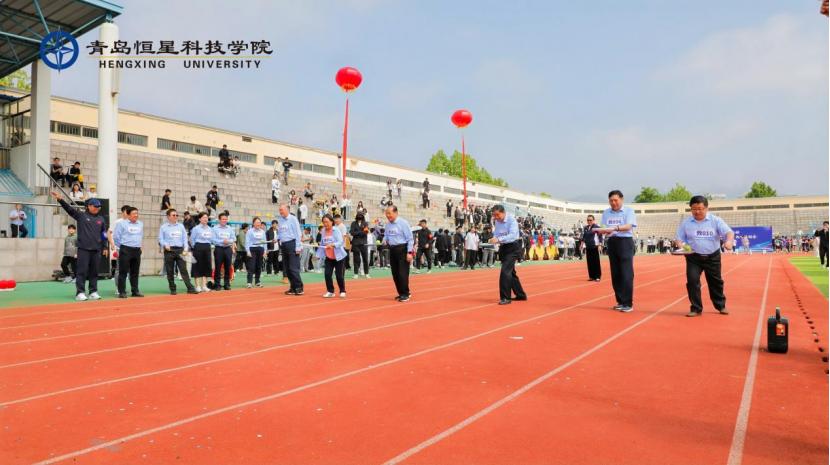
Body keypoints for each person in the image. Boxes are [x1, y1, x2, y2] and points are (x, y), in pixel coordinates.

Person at [675, 196, 734, 317]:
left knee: (715, 282)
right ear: (690, 209)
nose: (697, 212)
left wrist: (728, 242)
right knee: (692, 281)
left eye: (700, 209)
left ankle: (720, 305)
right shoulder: (686, 223)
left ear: (706, 208)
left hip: (712, 256)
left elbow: (729, 232)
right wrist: (685, 247)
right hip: (693, 257)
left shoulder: (715, 220)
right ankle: (696, 308)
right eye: (694, 209)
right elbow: (679, 239)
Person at [50, 192, 108, 301]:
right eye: (95, 206)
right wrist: (60, 200)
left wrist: (105, 247)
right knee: (82, 271)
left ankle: (93, 291)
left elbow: (103, 233)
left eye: (99, 207)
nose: (97, 208)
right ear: (89, 206)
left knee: (94, 272)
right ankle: (80, 292)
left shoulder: (101, 219)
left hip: (96, 250)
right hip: (84, 249)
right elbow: (69, 210)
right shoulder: (81, 216)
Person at [595, 190, 637, 313]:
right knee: (616, 273)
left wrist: (615, 228)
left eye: (615, 200)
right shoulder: (606, 212)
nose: (613, 203)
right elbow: (603, 227)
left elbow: (629, 226)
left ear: (621, 200)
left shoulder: (629, 211)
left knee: (626, 273)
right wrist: (601, 230)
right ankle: (620, 301)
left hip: (625, 242)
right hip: (612, 242)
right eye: (611, 201)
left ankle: (628, 303)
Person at [488, 205, 527, 305]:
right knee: (511, 272)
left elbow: (513, 236)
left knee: (505, 271)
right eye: (494, 215)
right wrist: (494, 239)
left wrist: (499, 239)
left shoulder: (512, 220)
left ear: (503, 212)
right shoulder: (497, 221)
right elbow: (496, 233)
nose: (496, 217)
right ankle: (521, 295)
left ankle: (505, 297)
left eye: (497, 215)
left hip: (514, 246)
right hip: (504, 247)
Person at [158, 209, 199, 295]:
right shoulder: (163, 227)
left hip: (180, 250)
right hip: (169, 251)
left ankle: (190, 288)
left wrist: (186, 249)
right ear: (168, 216)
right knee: (170, 271)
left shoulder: (181, 226)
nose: (176, 217)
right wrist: (165, 244)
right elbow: (160, 239)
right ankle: (173, 288)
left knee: (183, 270)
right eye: (173, 215)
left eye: (177, 215)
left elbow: (185, 238)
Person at [382, 205, 414, 302]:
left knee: (402, 273)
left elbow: (410, 238)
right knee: (395, 273)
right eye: (386, 213)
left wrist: (409, 252)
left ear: (396, 213)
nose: (387, 215)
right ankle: (401, 293)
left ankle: (406, 294)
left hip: (402, 249)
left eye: (389, 213)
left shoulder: (403, 223)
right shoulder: (388, 225)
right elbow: (386, 235)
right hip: (392, 250)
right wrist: (384, 240)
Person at [112, 206, 144, 298]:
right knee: (123, 271)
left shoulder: (140, 224)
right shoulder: (122, 224)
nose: (136, 215)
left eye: (137, 213)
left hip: (137, 250)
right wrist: (122, 246)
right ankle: (122, 292)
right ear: (128, 215)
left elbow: (141, 236)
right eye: (134, 213)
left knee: (135, 272)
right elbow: (116, 237)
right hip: (125, 249)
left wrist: (140, 246)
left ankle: (135, 291)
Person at [317, 214, 348, 298]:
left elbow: (341, 241)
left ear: (331, 222)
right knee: (327, 274)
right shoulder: (323, 231)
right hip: (329, 257)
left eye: (327, 222)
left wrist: (333, 245)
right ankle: (330, 291)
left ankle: (342, 290)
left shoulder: (336, 230)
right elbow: (323, 243)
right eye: (324, 222)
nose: (325, 224)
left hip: (339, 257)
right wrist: (319, 254)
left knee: (339, 275)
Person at [278, 204, 304, 295]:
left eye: (282, 210)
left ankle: (299, 287)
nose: (280, 212)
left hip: (292, 244)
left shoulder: (293, 219)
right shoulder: (280, 220)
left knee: (293, 267)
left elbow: (298, 233)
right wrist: (277, 238)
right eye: (279, 210)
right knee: (287, 268)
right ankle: (293, 287)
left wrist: (298, 246)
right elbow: (281, 232)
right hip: (284, 245)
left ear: (287, 210)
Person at [189, 212, 214, 292]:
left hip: (207, 247)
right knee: (197, 266)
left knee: (206, 266)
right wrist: (195, 247)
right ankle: (197, 286)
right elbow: (192, 240)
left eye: (206, 217)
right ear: (199, 219)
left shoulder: (210, 229)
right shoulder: (196, 228)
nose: (205, 219)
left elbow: (211, 239)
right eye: (203, 217)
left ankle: (204, 285)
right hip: (198, 247)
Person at [212, 212, 236, 291]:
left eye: (226, 219)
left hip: (227, 249)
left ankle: (227, 284)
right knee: (218, 267)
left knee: (227, 267)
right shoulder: (215, 228)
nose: (224, 220)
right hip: (219, 249)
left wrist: (228, 241)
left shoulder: (230, 228)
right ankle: (217, 284)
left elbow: (233, 238)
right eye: (223, 219)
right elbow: (213, 240)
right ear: (219, 220)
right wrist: (222, 241)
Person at [245, 217, 267, 288]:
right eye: (256, 222)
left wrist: (265, 251)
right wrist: (248, 251)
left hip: (260, 249)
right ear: (253, 223)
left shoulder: (262, 232)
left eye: (259, 223)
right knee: (251, 266)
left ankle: (257, 281)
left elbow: (264, 242)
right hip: (252, 249)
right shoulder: (250, 231)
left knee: (259, 266)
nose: (258, 224)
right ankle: (249, 282)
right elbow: (247, 242)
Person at [350, 212, 371, 279]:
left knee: (365, 259)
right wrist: (361, 232)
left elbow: (366, 233)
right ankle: (356, 273)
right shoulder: (353, 223)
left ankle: (366, 273)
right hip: (355, 244)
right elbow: (352, 233)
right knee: (356, 259)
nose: (359, 217)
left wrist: (358, 233)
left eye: (361, 216)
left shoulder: (365, 223)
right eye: (358, 216)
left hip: (363, 243)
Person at [583, 215, 602, 281]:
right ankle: (591, 276)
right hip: (588, 246)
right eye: (588, 220)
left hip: (595, 246)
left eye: (590, 220)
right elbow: (584, 236)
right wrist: (582, 244)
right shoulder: (585, 227)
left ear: (593, 220)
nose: (589, 221)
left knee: (596, 262)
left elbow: (600, 236)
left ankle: (597, 276)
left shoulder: (596, 227)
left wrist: (599, 245)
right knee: (589, 262)